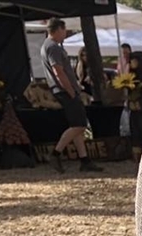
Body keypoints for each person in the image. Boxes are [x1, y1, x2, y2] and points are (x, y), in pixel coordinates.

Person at [40, 18, 101, 173]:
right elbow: (58, 71)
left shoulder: (49, 46)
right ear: (58, 29)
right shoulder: (52, 47)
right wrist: (70, 90)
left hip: (63, 89)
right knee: (80, 125)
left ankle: (84, 160)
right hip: (64, 91)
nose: (65, 34)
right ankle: (55, 153)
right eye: (64, 30)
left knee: (76, 126)